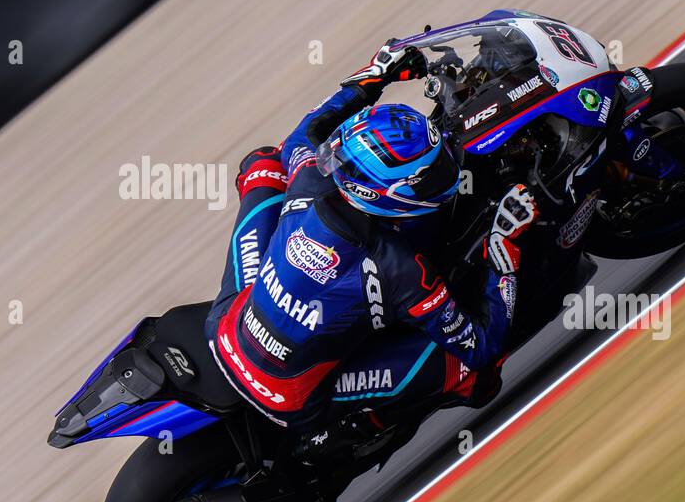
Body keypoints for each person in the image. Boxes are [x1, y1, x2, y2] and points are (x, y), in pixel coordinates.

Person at [204, 39, 539, 455]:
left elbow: (307, 132)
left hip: (226, 330)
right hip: (290, 396)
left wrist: (373, 77)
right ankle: (359, 433)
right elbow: (482, 343)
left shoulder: (312, 176)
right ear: (388, 196)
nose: (445, 174)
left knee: (263, 165)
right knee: (472, 369)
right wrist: (504, 248)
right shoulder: (402, 269)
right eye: (432, 174)